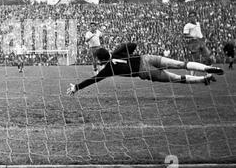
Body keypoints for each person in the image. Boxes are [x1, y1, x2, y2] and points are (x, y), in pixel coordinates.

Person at [66, 42, 224, 96]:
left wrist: (77, 87)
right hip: (146, 58)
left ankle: (204, 79)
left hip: (144, 72)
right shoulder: (117, 51)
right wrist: (125, 51)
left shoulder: (109, 69)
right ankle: (208, 68)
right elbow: (133, 44)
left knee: (176, 78)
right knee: (181, 64)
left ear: (101, 60)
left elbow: (94, 80)